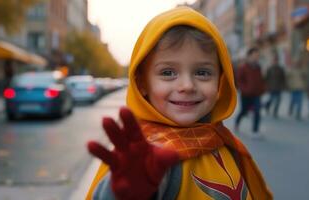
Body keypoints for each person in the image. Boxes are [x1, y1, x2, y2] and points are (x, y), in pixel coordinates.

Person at [85, 7, 272, 200]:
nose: (187, 86)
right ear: (142, 83)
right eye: (168, 73)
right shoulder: (143, 156)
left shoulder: (220, 140)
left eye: (202, 72)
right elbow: (124, 188)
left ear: (221, 81)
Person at [235, 47, 266, 136]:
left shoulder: (258, 67)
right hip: (246, 94)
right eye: (254, 55)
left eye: (257, 56)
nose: (256, 57)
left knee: (257, 111)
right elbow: (239, 80)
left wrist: (262, 89)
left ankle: (255, 131)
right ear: (249, 56)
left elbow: (261, 79)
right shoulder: (243, 67)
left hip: (256, 94)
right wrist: (244, 89)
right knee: (244, 111)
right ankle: (237, 122)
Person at [264, 53, 286, 118]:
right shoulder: (269, 69)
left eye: (276, 60)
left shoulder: (280, 69)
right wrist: (266, 86)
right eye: (274, 60)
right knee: (271, 99)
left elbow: (283, 78)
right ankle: (267, 106)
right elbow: (266, 78)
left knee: (278, 100)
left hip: (278, 87)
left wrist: (283, 86)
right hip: (271, 87)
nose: (275, 62)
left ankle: (275, 112)